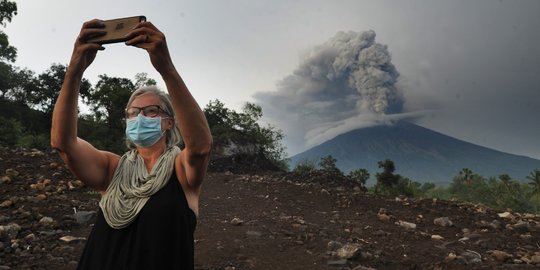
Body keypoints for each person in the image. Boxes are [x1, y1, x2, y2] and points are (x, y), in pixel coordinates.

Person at [50, 19, 212, 269]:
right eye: (133, 113)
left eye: (150, 111)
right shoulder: (112, 168)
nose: (139, 118)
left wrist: (166, 68)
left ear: (168, 123)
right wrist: (75, 69)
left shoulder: (180, 170)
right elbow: (63, 144)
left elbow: (200, 148)